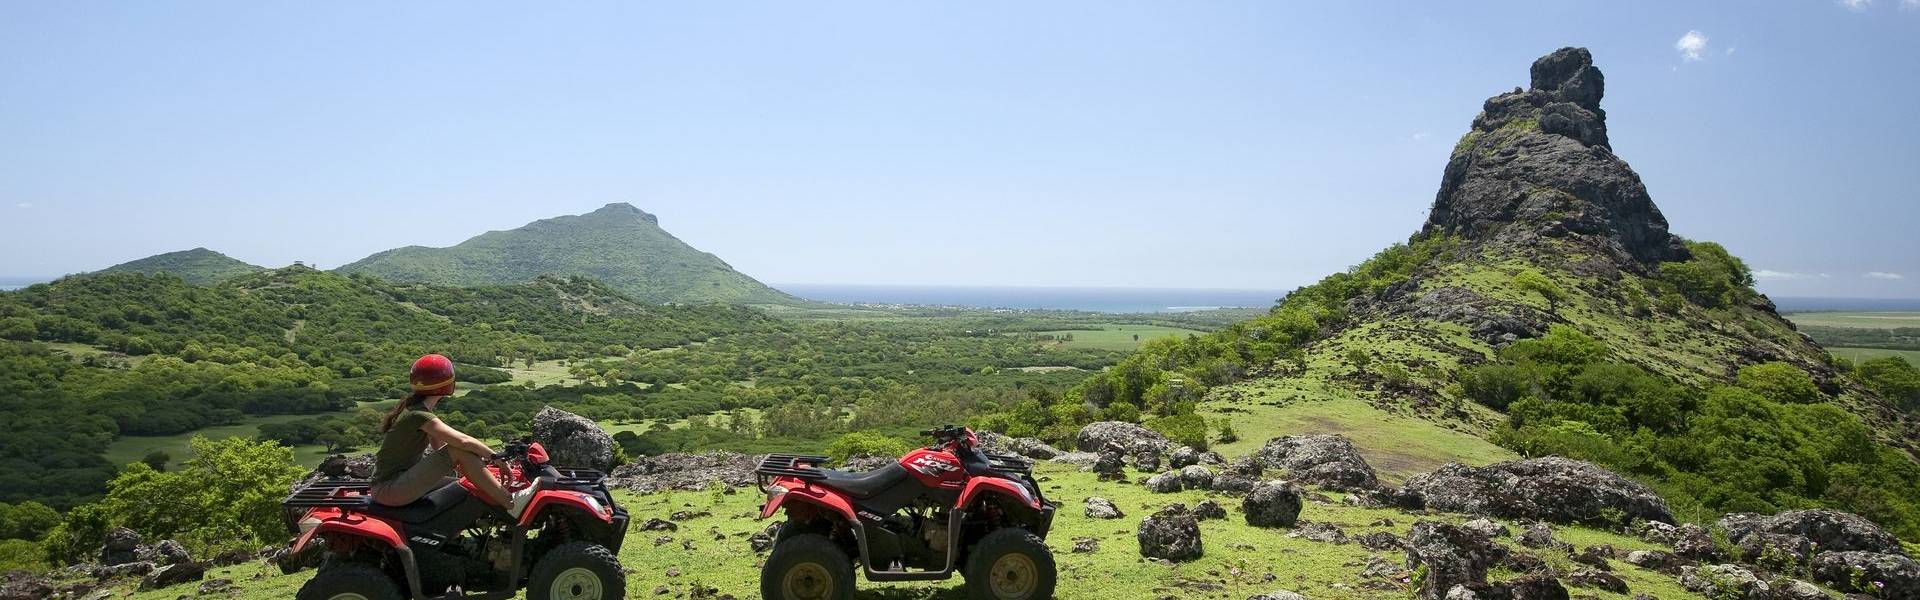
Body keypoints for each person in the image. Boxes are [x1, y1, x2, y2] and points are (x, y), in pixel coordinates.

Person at [371, 354, 533, 518]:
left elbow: (439, 448)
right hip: (389, 489)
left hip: (392, 485)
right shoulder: (419, 415)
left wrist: (476, 468)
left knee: (463, 488)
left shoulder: (416, 410)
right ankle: (511, 503)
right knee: (459, 450)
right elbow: (462, 442)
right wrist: (498, 459)